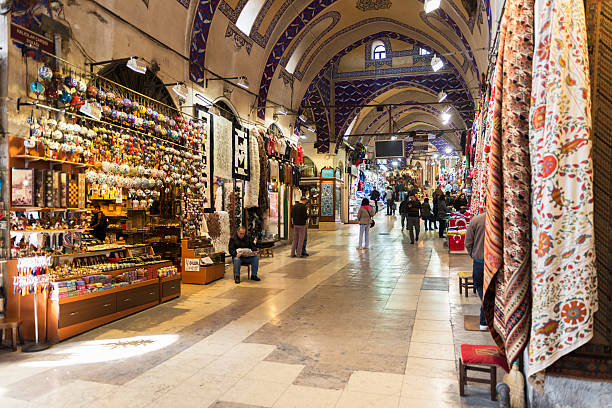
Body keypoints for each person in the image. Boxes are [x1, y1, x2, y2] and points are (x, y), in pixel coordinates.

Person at [465, 209, 487, 331]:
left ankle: (484, 319)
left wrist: (474, 255)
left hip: (479, 260)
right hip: (496, 262)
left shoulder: (476, 220)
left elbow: (468, 242)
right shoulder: (502, 220)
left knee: (479, 285)